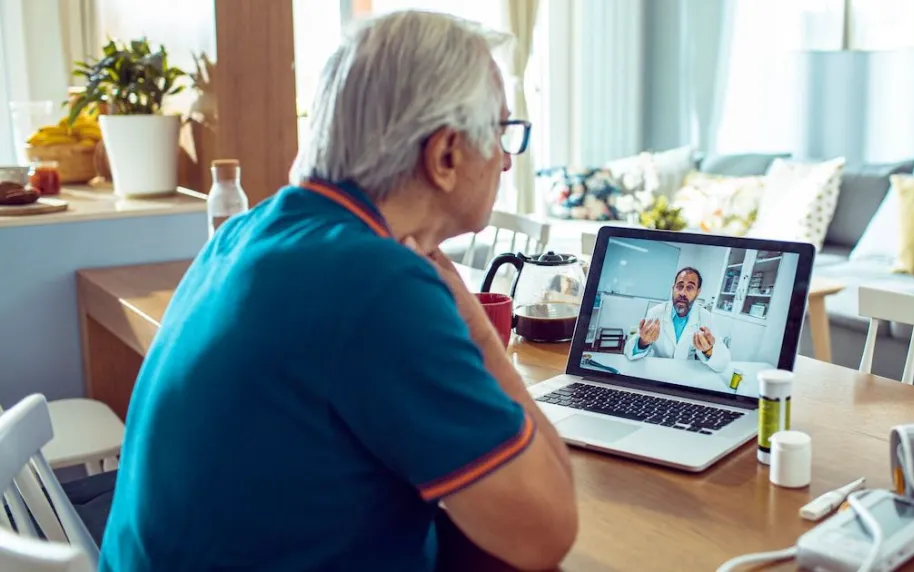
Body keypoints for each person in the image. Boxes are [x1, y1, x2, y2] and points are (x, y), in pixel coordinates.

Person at [99, 11, 576, 572]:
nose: (506, 156)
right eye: (501, 132)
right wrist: (473, 321)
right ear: (446, 155)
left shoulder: (247, 231)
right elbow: (547, 533)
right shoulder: (376, 282)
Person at [623, 267, 731, 372]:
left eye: (690, 287)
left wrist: (708, 350)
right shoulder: (655, 312)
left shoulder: (706, 317)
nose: (683, 293)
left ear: (698, 292)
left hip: (686, 374)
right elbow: (629, 352)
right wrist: (643, 342)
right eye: (679, 286)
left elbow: (722, 363)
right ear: (673, 288)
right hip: (656, 371)